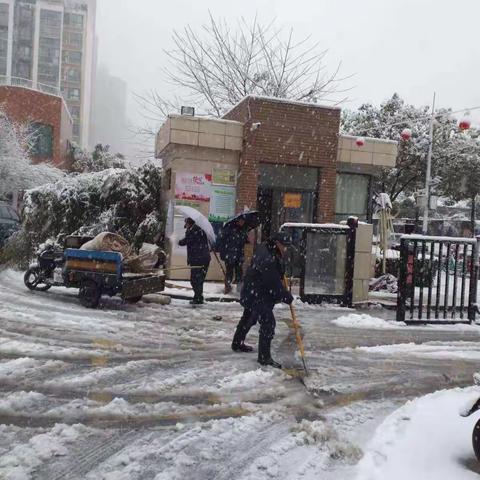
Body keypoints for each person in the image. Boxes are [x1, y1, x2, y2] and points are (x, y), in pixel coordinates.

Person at [231, 232, 294, 368]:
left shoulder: (267, 248)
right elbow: (272, 281)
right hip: (257, 294)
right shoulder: (268, 258)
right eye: (284, 246)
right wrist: (285, 295)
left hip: (253, 291)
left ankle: (237, 343)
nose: (285, 249)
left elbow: (274, 274)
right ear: (277, 243)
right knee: (268, 322)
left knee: (249, 317)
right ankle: (264, 357)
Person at [178, 217, 211, 305]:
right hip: (198, 259)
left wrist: (179, 241)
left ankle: (198, 298)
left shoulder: (196, 231)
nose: (185, 225)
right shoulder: (195, 230)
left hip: (200, 260)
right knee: (196, 280)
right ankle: (198, 297)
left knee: (196, 280)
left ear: (190, 223)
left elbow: (187, 241)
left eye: (186, 223)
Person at [216, 218, 249, 293]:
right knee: (229, 271)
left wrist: (245, 237)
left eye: (243, 221)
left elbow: (243, 241)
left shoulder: (243, 230)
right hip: (230, 254)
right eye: (241, 221)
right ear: (237, 221)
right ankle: (228, 288)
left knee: (239, 271)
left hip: (239, 254)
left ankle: (239, 289)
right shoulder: (229, 229)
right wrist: (218, 248)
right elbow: (222, 239)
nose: (242, 222)